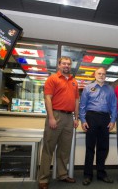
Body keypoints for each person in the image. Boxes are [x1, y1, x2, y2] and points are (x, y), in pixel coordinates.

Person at [38, 57, 79, 189]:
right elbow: (48, 99)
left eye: (68, 64)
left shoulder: (74, 81)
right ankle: (43, 179)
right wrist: (51, 117)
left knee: (64, 149)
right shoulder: (52, 79)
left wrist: (76, 117)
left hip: (69, 118)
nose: (66, 66)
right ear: (59, 65)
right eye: (64, 63)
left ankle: (62, 174)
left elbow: (77, 101)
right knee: (48, 148)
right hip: (55, 115)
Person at [79, 67, 118, 186]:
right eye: (99, 73)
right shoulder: (87, 88)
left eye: (103, 74)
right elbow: (82, 106)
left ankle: (101, 173)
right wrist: (83, 120)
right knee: (90, 147)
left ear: (105, 76)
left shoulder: (110, 89)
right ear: (95, 75)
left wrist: (112, 120)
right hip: (91, 117)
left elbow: (114, 106)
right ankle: (87, 175)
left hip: (105, 118)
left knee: (103, 147)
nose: (101, 75)